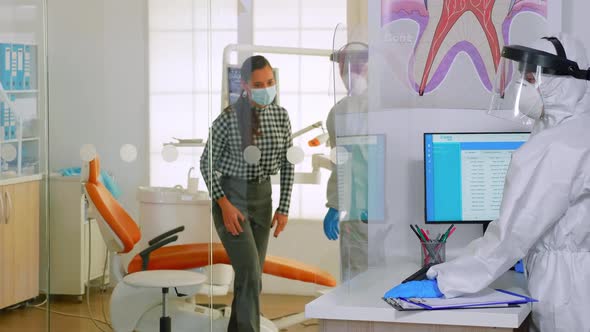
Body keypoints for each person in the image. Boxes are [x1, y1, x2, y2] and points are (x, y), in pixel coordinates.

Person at [384, 33, 590, 332]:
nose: (520, 86)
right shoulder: (574, 131)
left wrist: (446, 280)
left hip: (567, 291)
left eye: (531, 78)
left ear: (563, 84)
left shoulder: (556, 146)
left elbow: (510, 236)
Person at [200, 55, 294, 332]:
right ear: (244, 85)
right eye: (258, 84)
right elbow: (206, 162)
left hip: (263, 200)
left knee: (248, 277)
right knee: (251, 274)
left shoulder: (281, 115)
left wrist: (284, 207)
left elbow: (288, 163)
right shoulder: (227, 119)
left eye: (270, 82)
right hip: (232, 199)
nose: (266, 88)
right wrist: (224, 204)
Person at [323, 42, 370, 281]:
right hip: (365, 211)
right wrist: (334, 203)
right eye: (345, 65)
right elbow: (341, 162)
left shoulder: (344, 111)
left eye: (357, 65)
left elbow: (342, 161)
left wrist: (333, 204)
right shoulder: (339, 112)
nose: (350, 71)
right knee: (364, 277)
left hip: (368, 210)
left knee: (363, 278)